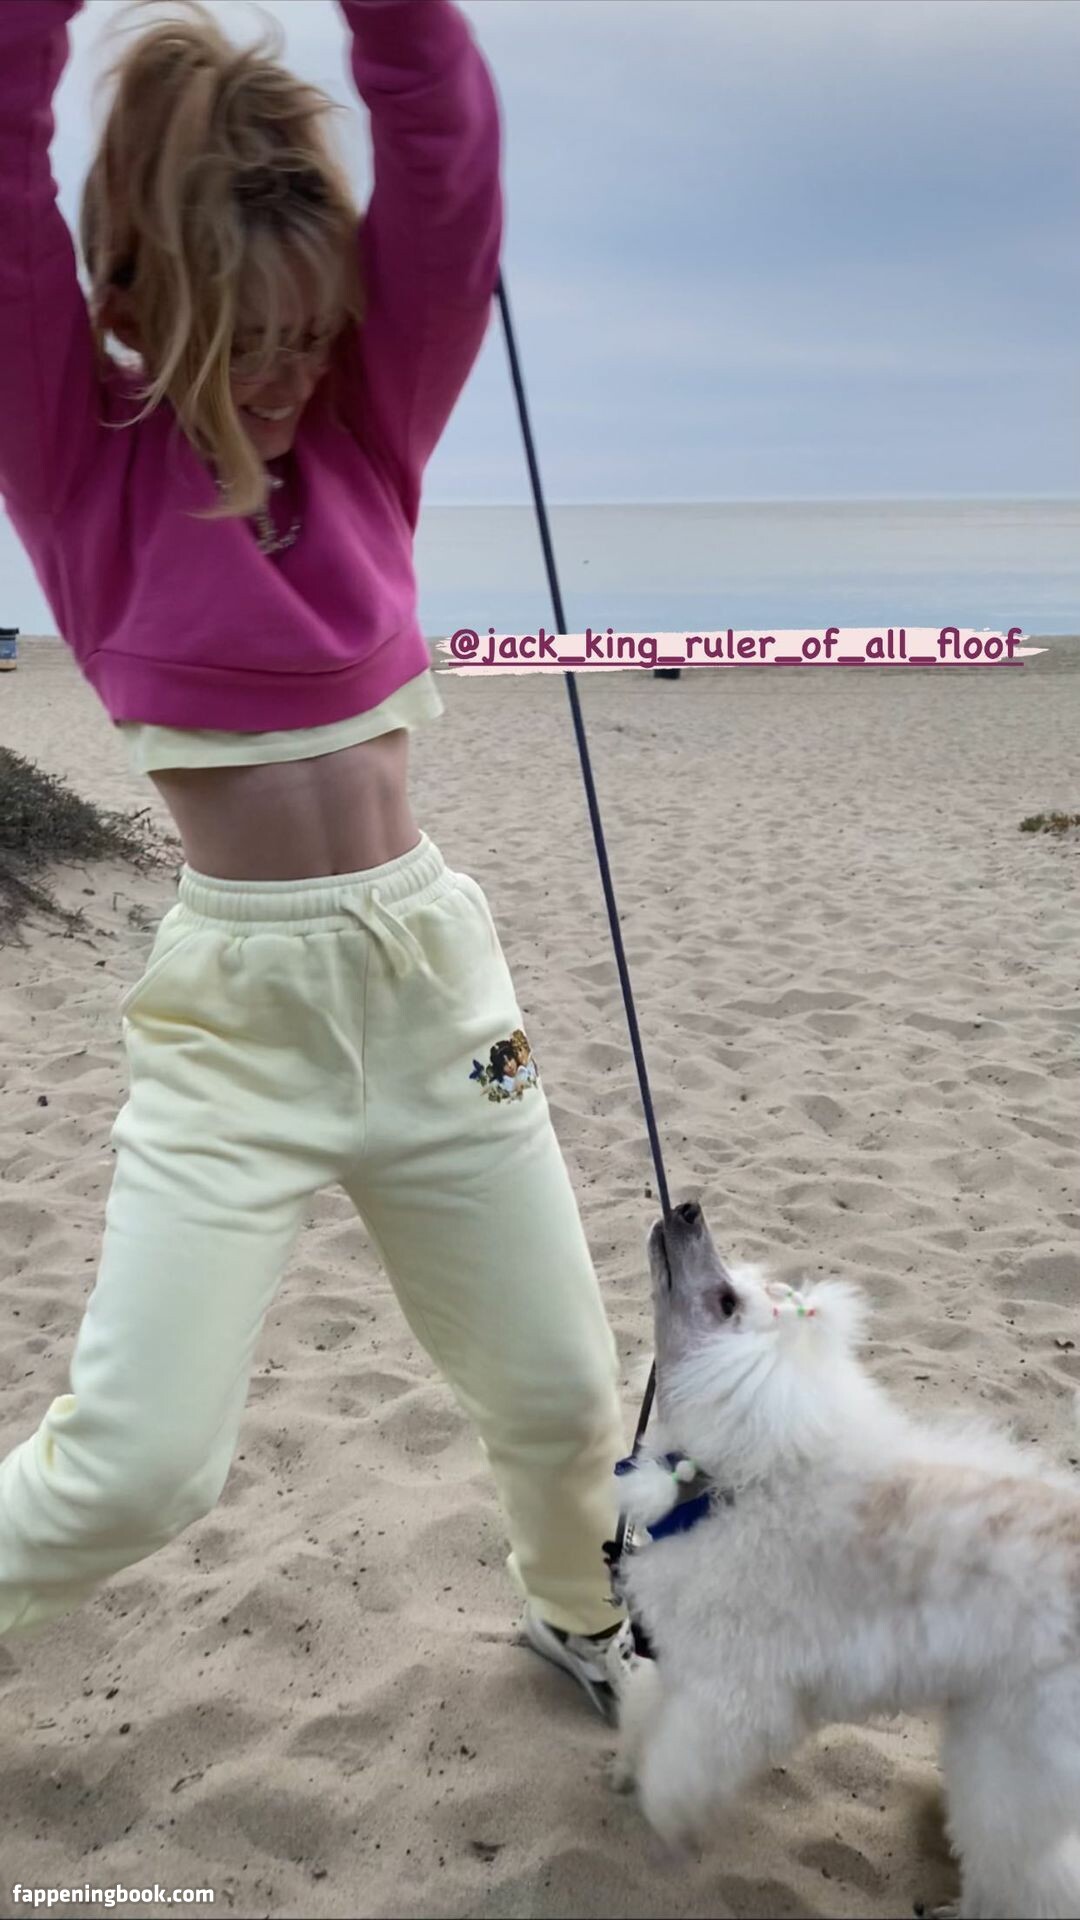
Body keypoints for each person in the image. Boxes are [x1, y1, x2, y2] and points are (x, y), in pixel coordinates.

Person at [0, 0, 632, 1720]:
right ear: (138, 307)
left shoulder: (367, 433)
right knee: (139, 1470)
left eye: (308, 333)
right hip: (239, 1026)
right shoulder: (80, 469)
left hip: (438, 991)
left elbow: (448, 167)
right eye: (245, 341)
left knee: (565, 1396)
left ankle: (584, 1618)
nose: (286, 378)